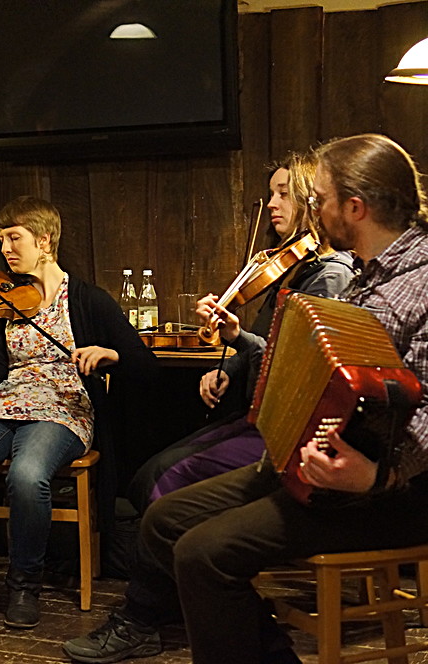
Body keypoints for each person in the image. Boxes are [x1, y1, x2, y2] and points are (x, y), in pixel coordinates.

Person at [63, 133, 428, 664]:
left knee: (203, 554)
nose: (313, 210)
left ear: (356, 207)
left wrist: (376, 476)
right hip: (316, 468)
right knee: (164, 519)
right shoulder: (367, 278)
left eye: (318, 199)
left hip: (392, 490)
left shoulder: (421, 283)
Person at [0, 196, 158, 629]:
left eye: (14, 238)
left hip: (64, 404)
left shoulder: (88, 299)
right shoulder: (1, 298)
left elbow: (146, 366)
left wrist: (109, 354)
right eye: (2, 240)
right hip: (2, 399)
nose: (6, 249)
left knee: (27, 476)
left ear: (45, 241)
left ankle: (24, 583)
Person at [127, 151, 355, 513]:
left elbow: (293, 364)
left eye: (283, 194)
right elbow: (267, 344)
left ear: (312, 202)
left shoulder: (329, 276)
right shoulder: (292, 270)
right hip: (258, 416)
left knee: (160, 478)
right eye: (270, 194)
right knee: (149, 472)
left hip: (286, 432)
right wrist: (227, 369)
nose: (271, 205)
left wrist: (235, 337)